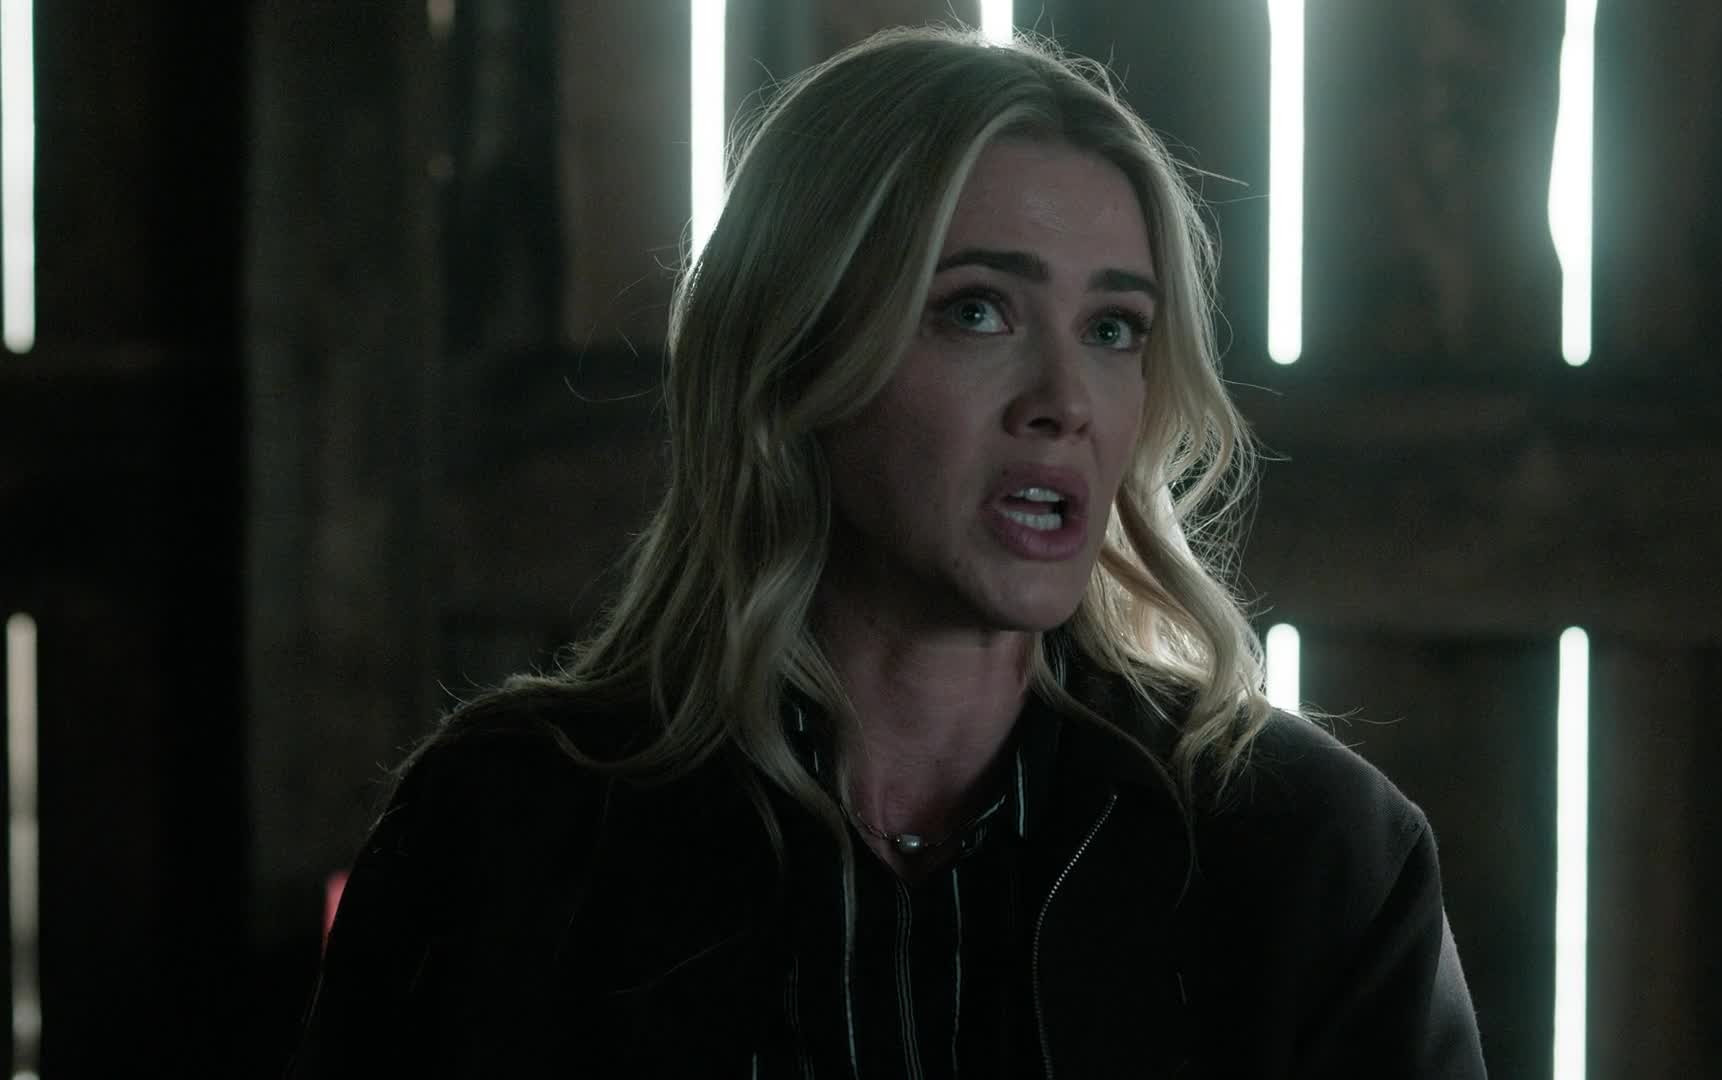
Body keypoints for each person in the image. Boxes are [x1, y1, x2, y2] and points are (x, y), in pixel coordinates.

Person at [289, 23, 1487, 1079]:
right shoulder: (507, 832)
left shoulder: (1309, 856)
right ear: (797, 350)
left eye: (1115, 327)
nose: (1065, 401)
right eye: (976, 309)